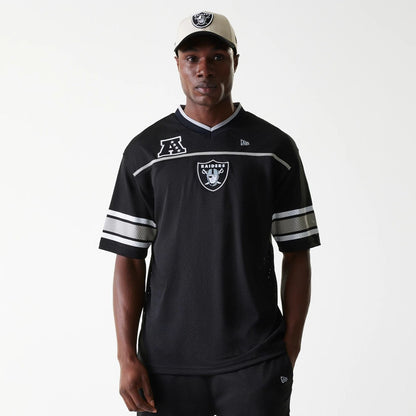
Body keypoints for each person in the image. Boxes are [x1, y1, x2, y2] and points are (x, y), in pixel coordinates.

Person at [99, 11, 320, 416]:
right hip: (165, 364)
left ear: (236, 62)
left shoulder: (274, 149)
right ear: (178, 64)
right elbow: (128, 260)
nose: (205, 69)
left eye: (218, 56)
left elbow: (297, 252)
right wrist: (126, 357)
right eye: (192, 58)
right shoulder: (145, 152)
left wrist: (289, 347)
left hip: (256, 359)